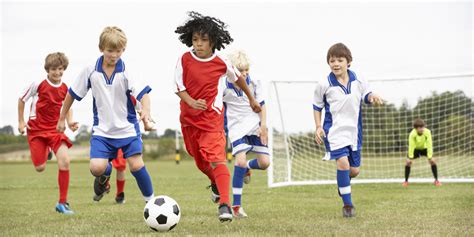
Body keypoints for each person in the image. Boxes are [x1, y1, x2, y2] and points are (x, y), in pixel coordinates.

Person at [174, 11, 261, 222]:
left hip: (212, 121)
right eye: (195, 39)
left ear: (213, 41)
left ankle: (225, 205)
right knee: (200, 162)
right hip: (188, 121)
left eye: (203, 40)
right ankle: (215, 183)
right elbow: (179, 87)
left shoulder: (221, 63)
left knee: (216, 160)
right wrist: (191, 102)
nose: (198, 44)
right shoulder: (184, 59)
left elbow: (239, 79)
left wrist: (251, 99)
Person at [57, 26, 155, 203]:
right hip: (103, 131)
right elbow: (71, 94)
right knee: (96, 168)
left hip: (127, 129)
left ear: (123, 50)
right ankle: (104, 177)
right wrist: (62, 117)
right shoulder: (90, 71)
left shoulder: (127, 71)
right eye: (110, 51)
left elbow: (143, 94)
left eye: (119, 51)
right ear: (101, 48)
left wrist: (146, 112)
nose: (114, 55)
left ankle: (152, 202)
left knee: (136, 164)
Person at [313, 43, 383, 218]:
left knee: (354, 171)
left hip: (354, 132)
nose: (335, 63)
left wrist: (372, 97)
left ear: (348, 62)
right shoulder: (323, 84)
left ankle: (342, 183)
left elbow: (366, 95)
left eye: (339, 60)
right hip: (334, 131)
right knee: (342, 164)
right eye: (332, 60)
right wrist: (318, 126)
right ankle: (348, 206)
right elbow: (316, 106)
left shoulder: (359, 79)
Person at [18, 52, 78, 214]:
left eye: (60, 69)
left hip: (55, 130)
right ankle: (47, 151)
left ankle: (62, 203)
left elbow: (68, 106)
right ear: (47, 69)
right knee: (40, 167)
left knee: (65, 161)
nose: (57, 72)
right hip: (36, 130)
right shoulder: (37, 84)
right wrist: (21, 121)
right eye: (53, 69)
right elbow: (22, 99)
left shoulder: (66, 88)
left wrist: (69, 122)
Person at [222, 50, 270, 218]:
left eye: (246, 71)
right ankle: (236, 206)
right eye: (240, 71)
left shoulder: (256, 82)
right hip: (236, 128)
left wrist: (263, 126)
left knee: (265, 163)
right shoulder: (222, 85)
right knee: (239, 161)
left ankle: (247, 169)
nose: (243, 74)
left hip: (255, 125)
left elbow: (262, 105)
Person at [404, 118, 441, 187]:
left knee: (432, 161)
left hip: (425, 148)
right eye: (420, 127)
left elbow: (429, 144)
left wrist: (430, 157)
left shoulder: (427, 132)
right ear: (416, 128)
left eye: (423, 127)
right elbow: (411, 146)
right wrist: (410, 157)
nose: (422, 129)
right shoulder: (412, 134)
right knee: (407, 162)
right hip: (416, 149)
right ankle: (406, 181)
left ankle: (436, 180)